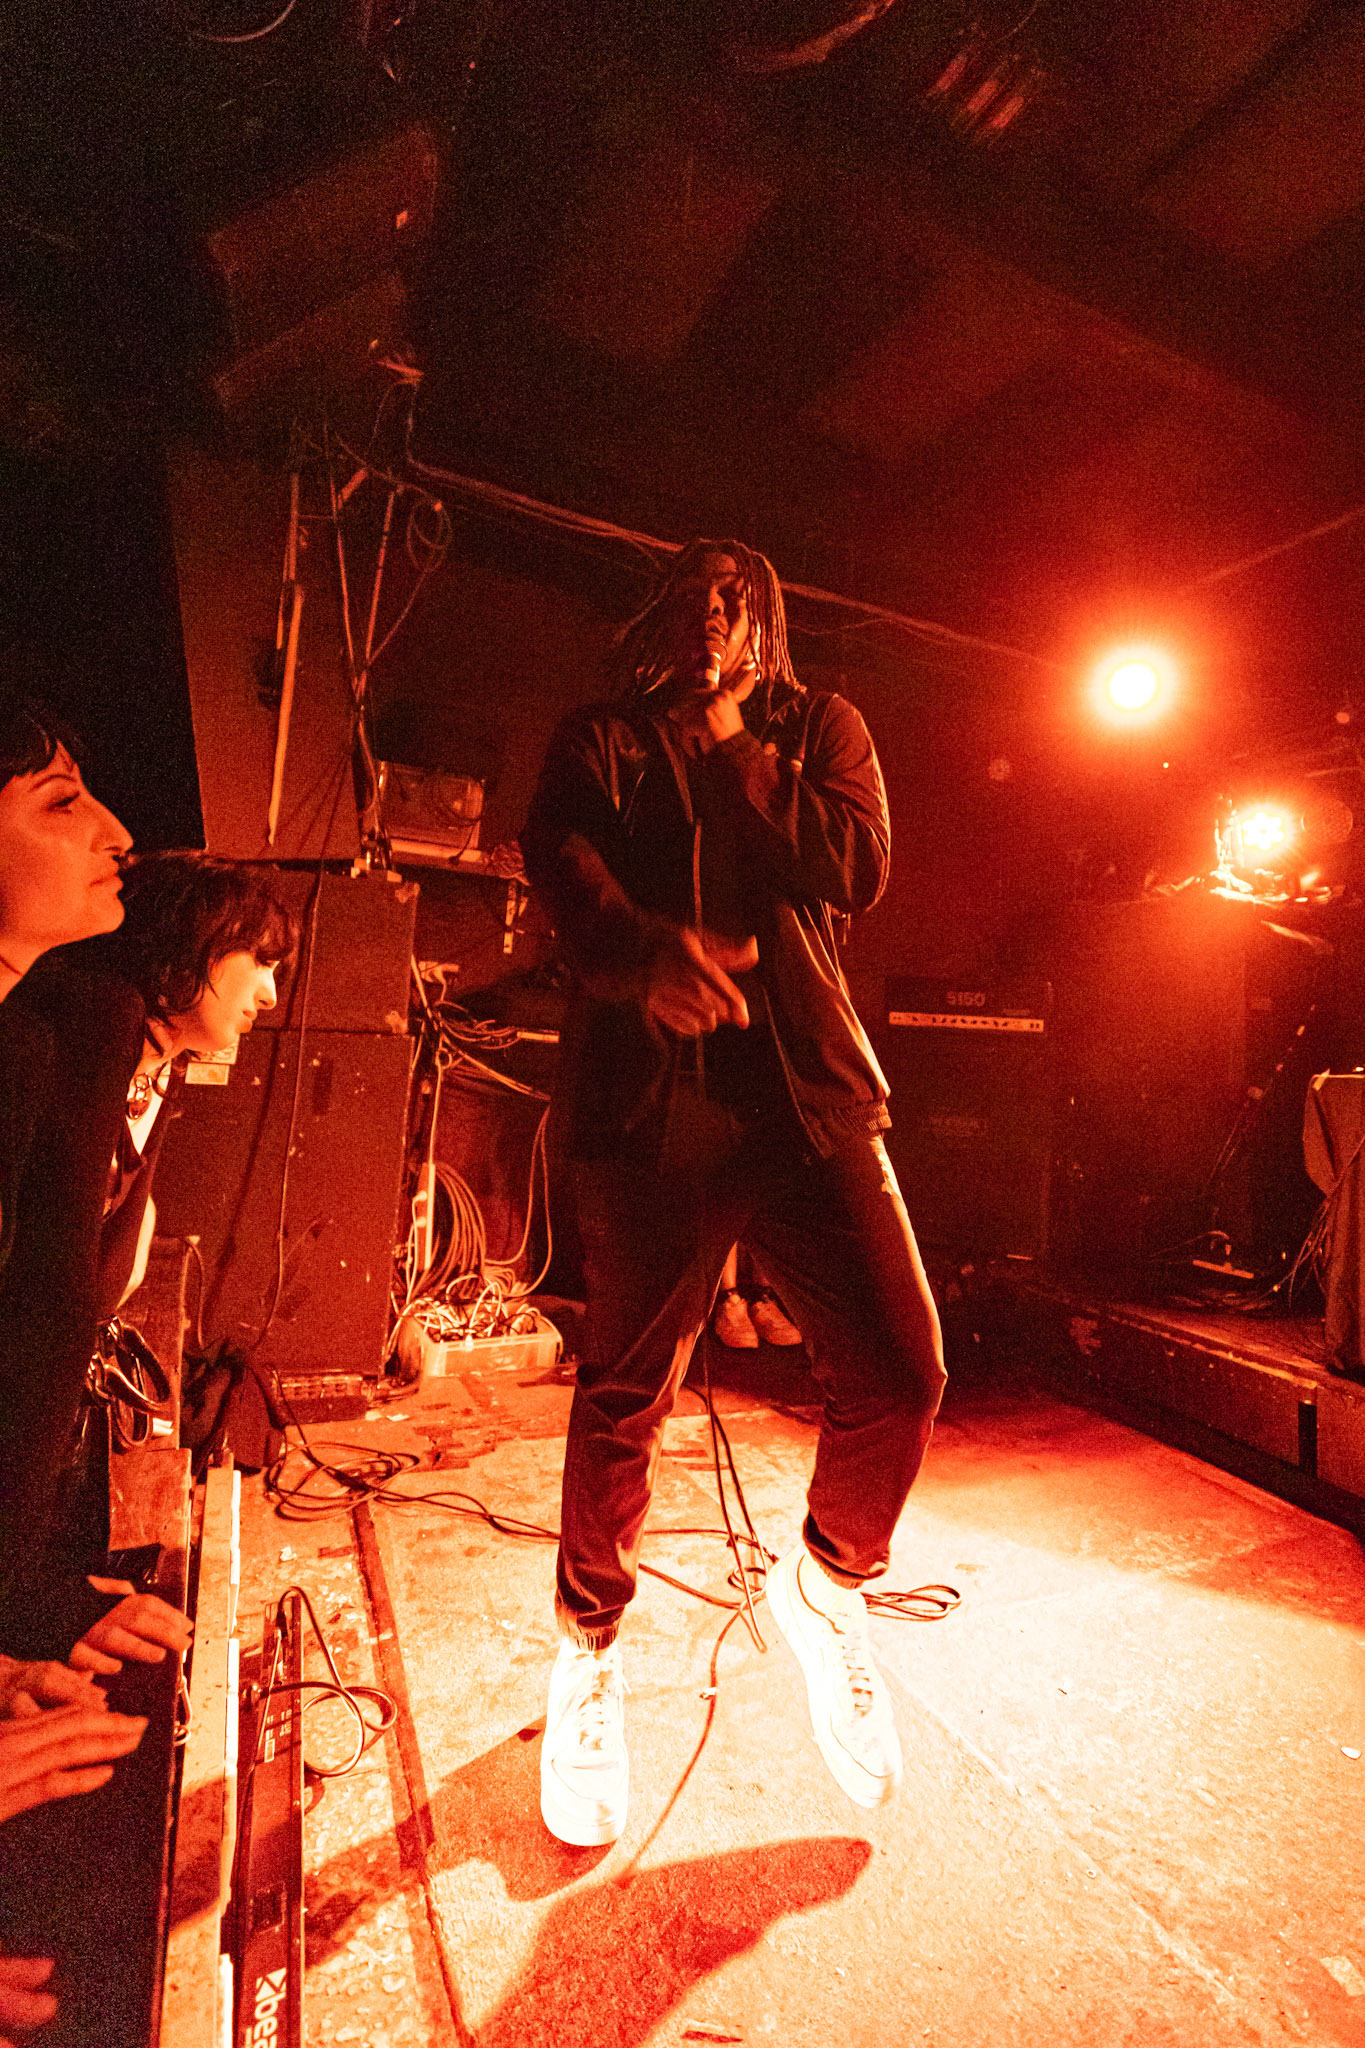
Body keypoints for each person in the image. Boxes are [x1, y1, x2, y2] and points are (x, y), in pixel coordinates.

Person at [522, 538, 947, 1846]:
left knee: (903, 1372)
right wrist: (642, 952)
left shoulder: (818, 727)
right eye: (694, 595)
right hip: (649, 1111)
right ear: (662, 615)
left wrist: (736, 748)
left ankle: (825, 1586)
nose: (712, 614)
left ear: (763, 624)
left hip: (804, 1096)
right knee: (625, 1397)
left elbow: (853, 865)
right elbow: (560, 864)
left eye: (736, 598)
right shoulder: (600, 738)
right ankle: (589, 1650)